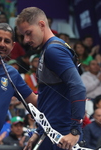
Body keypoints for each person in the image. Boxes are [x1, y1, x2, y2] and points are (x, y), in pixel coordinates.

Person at [16, 7, 86, 150]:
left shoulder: (53, 51)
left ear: (41, 25)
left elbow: (78, 87)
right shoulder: (48, 49)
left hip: (63, 136)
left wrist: (75, 131)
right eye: (23, 35)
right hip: (51, 132)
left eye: (28, 33)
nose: (26, 40)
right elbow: (49, 99)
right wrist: (39, 131)